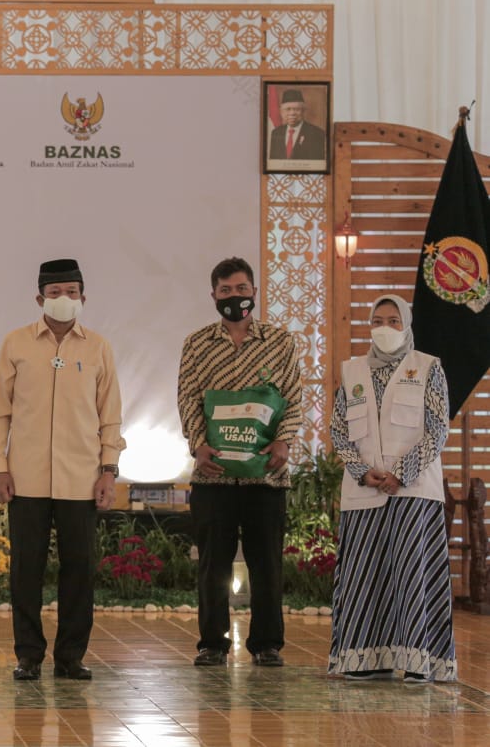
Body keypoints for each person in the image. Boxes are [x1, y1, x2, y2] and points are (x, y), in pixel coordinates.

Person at [0, 259, 125, 681]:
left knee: (79, 570)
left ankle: (70, 656)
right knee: (26, 570)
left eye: (72, 292)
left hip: (81, 479)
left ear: (83, 297)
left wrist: (109, 470)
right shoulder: (15, 343)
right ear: (39, 298)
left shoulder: (98, 347)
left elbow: (110, 416)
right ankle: (28, 655)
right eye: (55, 292)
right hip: (25, 478)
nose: (64, 299)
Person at [178, 256, 303, 668]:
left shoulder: (280, 342)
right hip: (213, 477)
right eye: (226, 290)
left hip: (265, 477)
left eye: (241, 289)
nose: (235, 296)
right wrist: (198, 445)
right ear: (214, 295)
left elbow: (293, 399)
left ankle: (267, 643)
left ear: (254, 291)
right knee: (213, 565)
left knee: (266, 565)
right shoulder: (197, 344)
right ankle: (212, 643)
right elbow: (188, 399)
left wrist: (283, 441)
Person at [328, 294, 456, 683]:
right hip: (364, 492)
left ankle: (419, 660)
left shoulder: (428, 367)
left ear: (407, 325)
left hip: (414, 493)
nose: (385, 328)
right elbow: (339, 430)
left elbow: (438, 429)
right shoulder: (352, 372)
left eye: (393, 321)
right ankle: (365, 659)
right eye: (378, 321)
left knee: (412, 575)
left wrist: (401, 472)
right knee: (364, 576)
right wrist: (361, 471)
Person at [268, 88, 327, 160]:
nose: (292, 113)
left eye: (297, 109)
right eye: (288, 109)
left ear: (303, 111)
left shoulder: (317, 133)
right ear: (281, 112)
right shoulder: (276, 133)